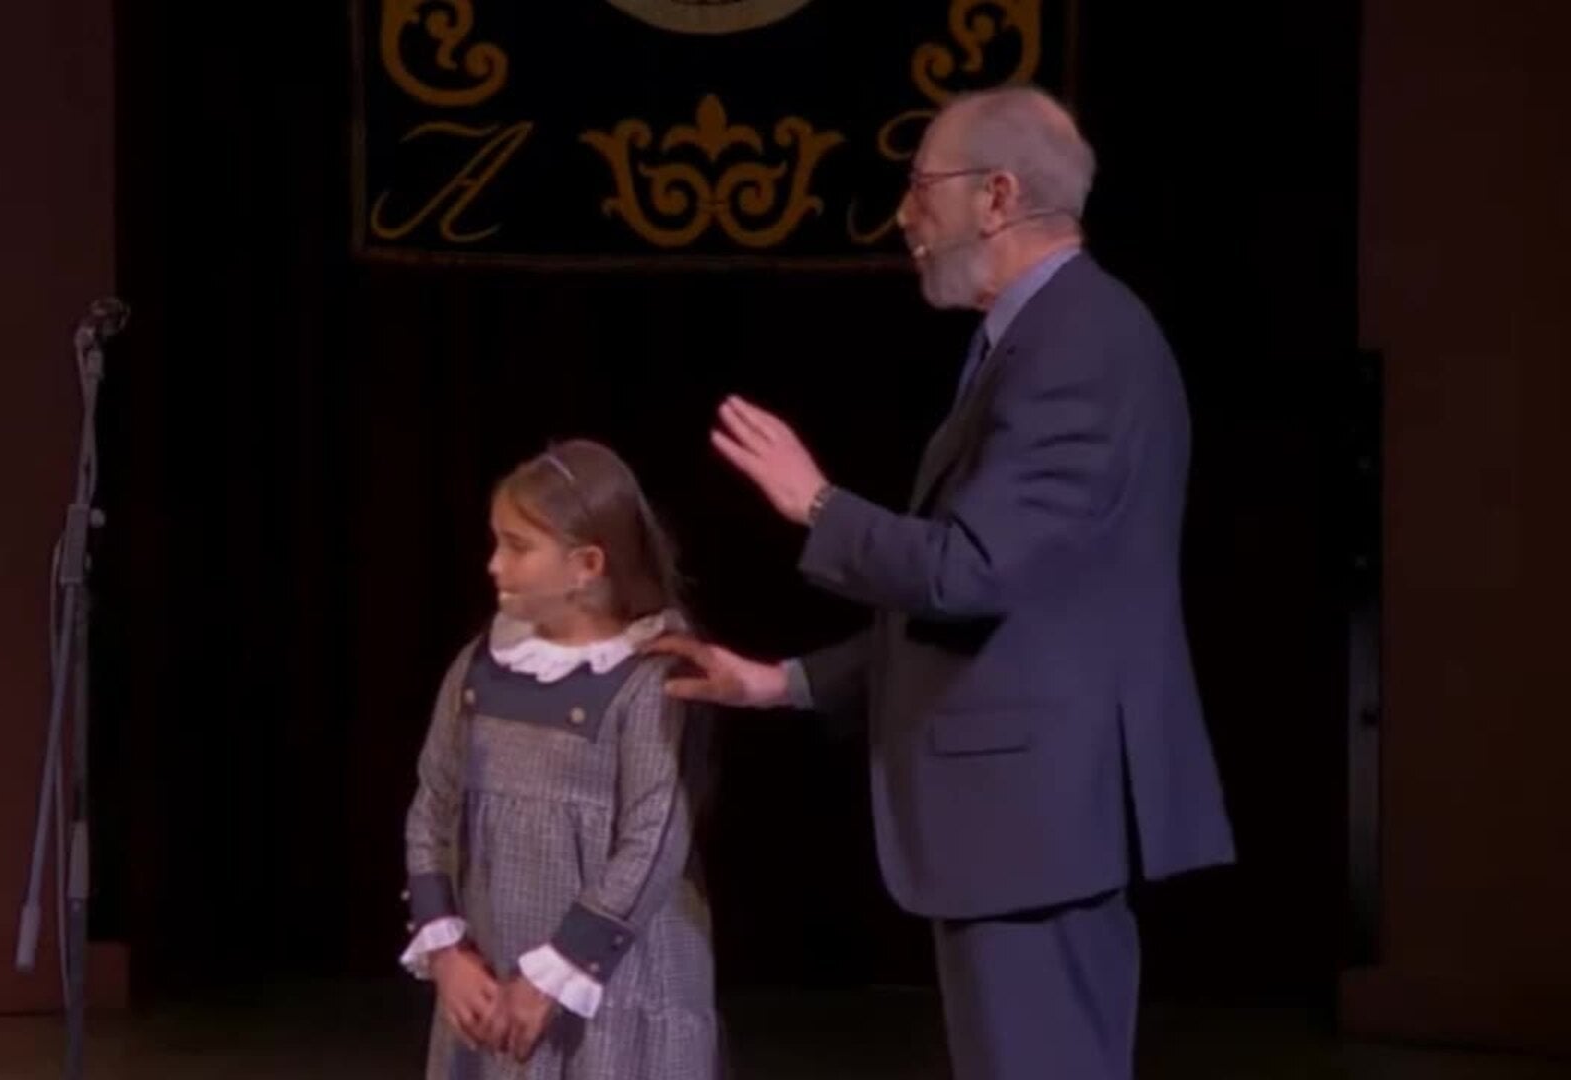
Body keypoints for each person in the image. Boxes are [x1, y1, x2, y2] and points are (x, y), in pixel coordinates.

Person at [646, 85, 1235, 1080]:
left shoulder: (1078, 345)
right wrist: (781, 682)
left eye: (922, 188)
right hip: (1027, 824)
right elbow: (1009, 613)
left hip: (1038, 823)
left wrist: (818, 505)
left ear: (997, 196)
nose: (904, 217)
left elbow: (971, 573)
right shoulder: (1034, 339)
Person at [399, 439, 721, 1079]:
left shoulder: (650, 677)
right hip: (494, 986)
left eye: (518, 547)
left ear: (587, 565)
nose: (495, 564)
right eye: (497, 542)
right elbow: (431, 805)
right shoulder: (478, 669)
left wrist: (559, 970)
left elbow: (652, 841)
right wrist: (447, 951)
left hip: (616, 993)